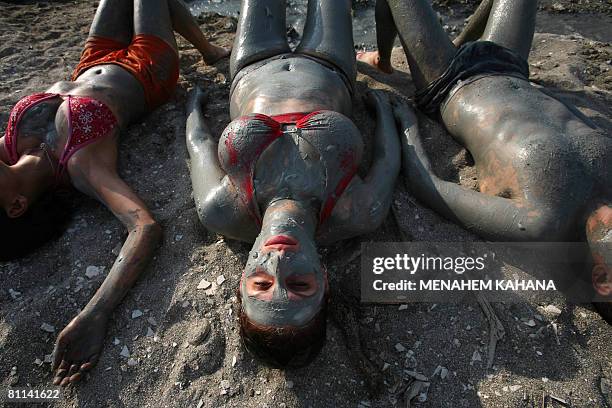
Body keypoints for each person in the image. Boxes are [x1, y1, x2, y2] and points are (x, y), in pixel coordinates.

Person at [0, 0, 229, 386]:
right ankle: (208, 50)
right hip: (148, 69)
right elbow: (144, 228)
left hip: (91, 60)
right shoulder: (81, 164)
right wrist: (95, 313)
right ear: (17, 205)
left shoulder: (8, 149)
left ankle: (207, 49)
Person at [362, 0, 611, 320]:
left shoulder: (540, 222)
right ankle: (456, 38)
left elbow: (429, 186)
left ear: (602, 279)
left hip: (448, 81)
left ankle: (383, 60)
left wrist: (405, 124)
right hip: (510, 65)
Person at [186, 0, 401, 367]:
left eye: (261, 285)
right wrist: (384, 110)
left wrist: (193, 106)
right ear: (325, 280)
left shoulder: (221, 210)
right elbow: (388, 158)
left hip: (250, 65)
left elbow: (200, 145)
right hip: (332, 66)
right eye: (300, 285)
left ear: (241, 282)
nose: (279, 264)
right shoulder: (359, 211)